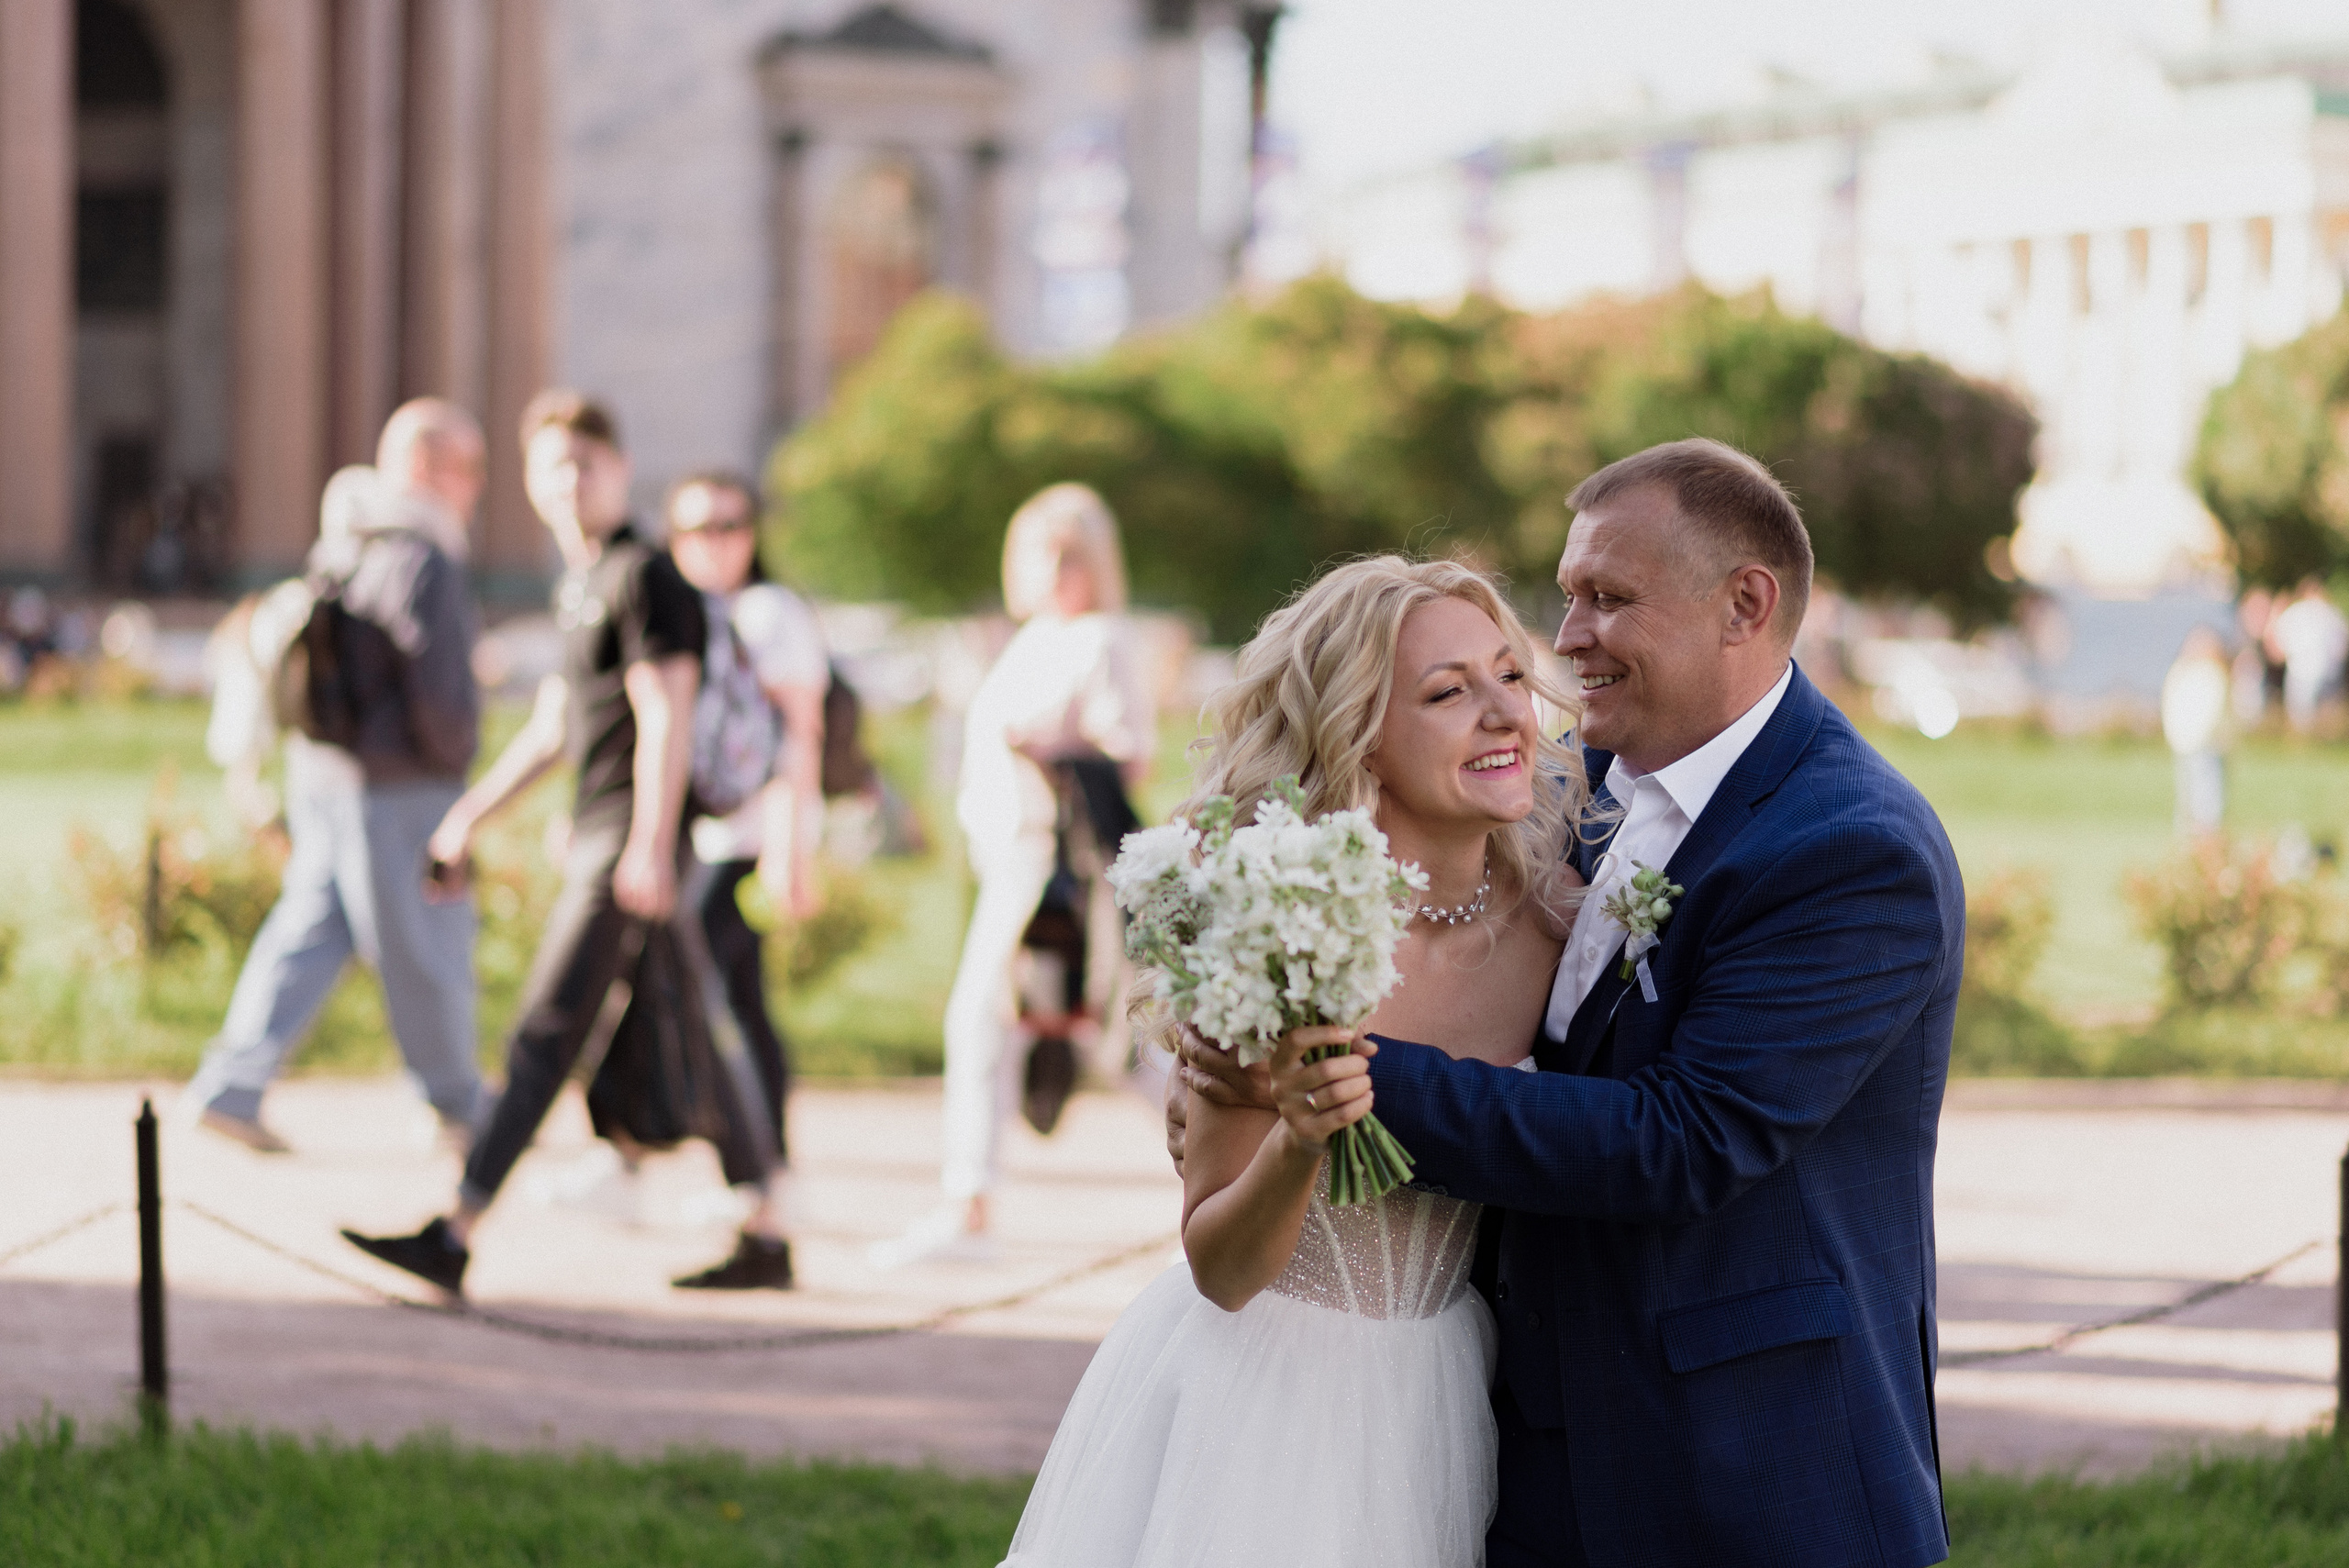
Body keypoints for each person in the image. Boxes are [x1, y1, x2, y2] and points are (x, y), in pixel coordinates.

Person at [1179, 439, 1964, 1568]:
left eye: (1609, 598)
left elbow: (1686, 1141)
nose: (1569, 637)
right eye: (1567, 595)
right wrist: (1237, 1060)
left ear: (1744, 603)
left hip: (1752, 1462)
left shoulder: (1848, 849)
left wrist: (1344, 1075)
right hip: (1515, 1432)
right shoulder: (1572, 787)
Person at [1001, 557, 1587, 1566]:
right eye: (1448, 692)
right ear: (1358, 730)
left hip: (1448, 1378)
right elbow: (1220, 1266)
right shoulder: (1274, 923)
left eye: (1509, 675)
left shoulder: (1563, 921)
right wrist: (1300, 1139)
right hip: (1258, 1389)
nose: (1504, 714)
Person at [340, 391, 793, 1295]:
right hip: (611, 833)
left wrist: (651, 845)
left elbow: (665, 713)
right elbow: (558, 724)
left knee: (546, 1032)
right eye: (553, 463)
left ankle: (457, 1229)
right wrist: (469, 815)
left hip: (628, 838)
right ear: (528, 480)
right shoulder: (581, 584)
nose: (569, 479)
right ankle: (767, 1229)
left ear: (619, 470)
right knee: (696, 1032)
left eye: (586, 461)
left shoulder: (644, 573)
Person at [178, 399, 487, 1153]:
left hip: (320, 773)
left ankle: (232, 1085)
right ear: (425, 467)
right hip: (400, 783)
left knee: (308, 933)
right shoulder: (424, 555)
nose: (476, 488)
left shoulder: (345, 539)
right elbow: (440, 690)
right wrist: (458, 767)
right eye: (468, 468)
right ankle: (458, 1104)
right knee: (427, 941)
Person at [871, 483, 1154, 1269]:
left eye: (1067, 554)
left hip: (1053, 864)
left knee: (1016, 1024)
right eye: (1040, 551)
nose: (1050, 569)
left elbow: (1130, 752)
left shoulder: (1101, 638)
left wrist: (1049, 747)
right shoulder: (1032, 638)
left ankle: (970, 1204)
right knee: (1085, 1028)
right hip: (1011, 859)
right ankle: (973, 1202)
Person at [2162, 625, 2232, 836]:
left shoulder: (2186, 672)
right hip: (2203, 744)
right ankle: (2202, 840)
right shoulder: (2208, 674)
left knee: (2196, 796)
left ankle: (2197, 839)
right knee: (2205, 797)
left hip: (2196, 744)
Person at [2269, 579, 2347, 734]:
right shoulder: (2325, 613)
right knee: (2308, 714)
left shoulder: (2326, 613)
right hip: (2310, 671)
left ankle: (2311, 740)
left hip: (2310, 671)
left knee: (2305, 714)